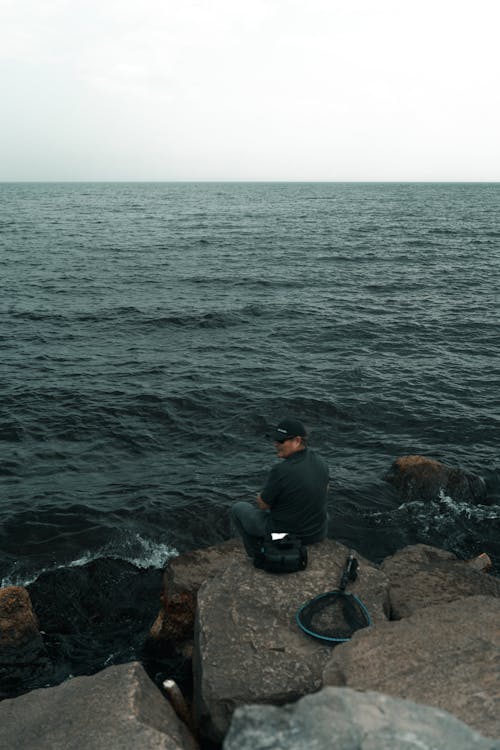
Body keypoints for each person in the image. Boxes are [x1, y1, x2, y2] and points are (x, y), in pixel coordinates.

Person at [231, 417, 329, 557]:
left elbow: (263, 505)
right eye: (275, 440)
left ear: (297, 441)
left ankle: (256, 553)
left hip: (285, 536)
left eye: (281, 441)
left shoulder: (281, 470)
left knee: (238, 508)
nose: (276, 444)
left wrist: (260, 496)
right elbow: (325, 490)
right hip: (317, 533)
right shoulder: (321, 461)